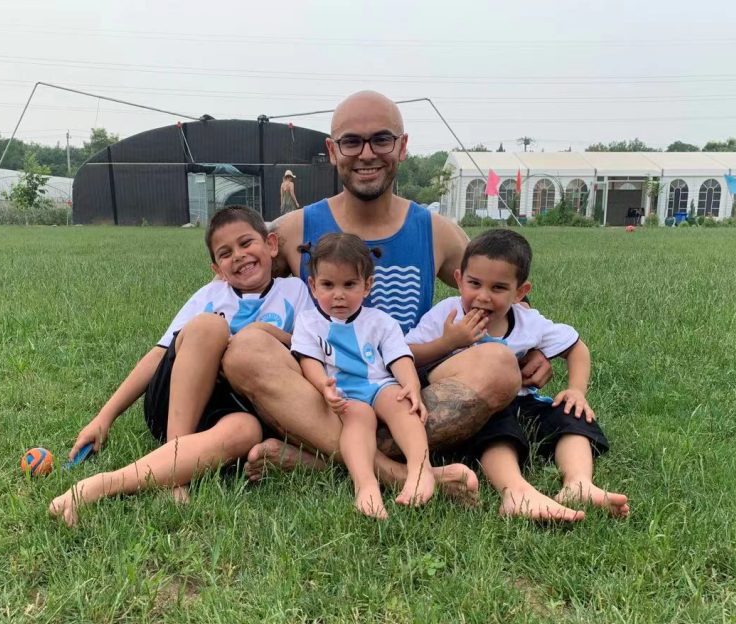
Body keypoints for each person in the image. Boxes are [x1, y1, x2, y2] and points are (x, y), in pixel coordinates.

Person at [223, 90, 551, 495]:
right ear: (332, 151)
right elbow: (227, 285)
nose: (367, 154)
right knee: (244, 350)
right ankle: (395, 472)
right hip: (322, 387)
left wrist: (533, 347)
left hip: (410, 384)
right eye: (351, 141)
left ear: (402, 146)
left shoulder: (436, 231)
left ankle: (318, 456)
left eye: (381, 139)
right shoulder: (294, 229)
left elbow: (498, 287)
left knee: (499, 365)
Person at [51, 205, 310, 526]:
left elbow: (305, 349)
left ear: (271, 245)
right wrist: (105, 417)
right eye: (226, 253)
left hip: (234, 407)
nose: (239, 256)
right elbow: (159, 354)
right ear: (217, 268)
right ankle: (174, 471)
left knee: (248, 431)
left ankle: (113, 481)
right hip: (177, 398)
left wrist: (263, 332)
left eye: (246, 243)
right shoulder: (211, 295)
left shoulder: (295, 292)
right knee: (209, 327)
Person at [405, 229, 629, 522]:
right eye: (474, 283)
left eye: (498, 288)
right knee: (495, 425)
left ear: (520, 292)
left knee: (571, 414)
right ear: (459, 279)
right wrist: (448, 342)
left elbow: (577, 348)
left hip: (523, 401)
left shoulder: (528, 321)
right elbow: (407, 353)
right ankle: (514, 490)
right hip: (477, 404)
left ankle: (579, 483)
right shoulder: (447, 314)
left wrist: (576, 390)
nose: (483, 296)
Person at [292, 233, 448, 518]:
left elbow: (399, 357)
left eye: (349, 284)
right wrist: (324, 386)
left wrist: (411, 384)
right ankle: (365, 485)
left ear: (367, 286)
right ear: (313, 286)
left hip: (379, 385)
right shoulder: (308, 322)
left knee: (401, 403)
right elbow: (309, 360)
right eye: (328, 285)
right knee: (357, 419)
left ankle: (420, 468)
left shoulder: (380, 321)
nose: (339, 294)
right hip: (344, 392)